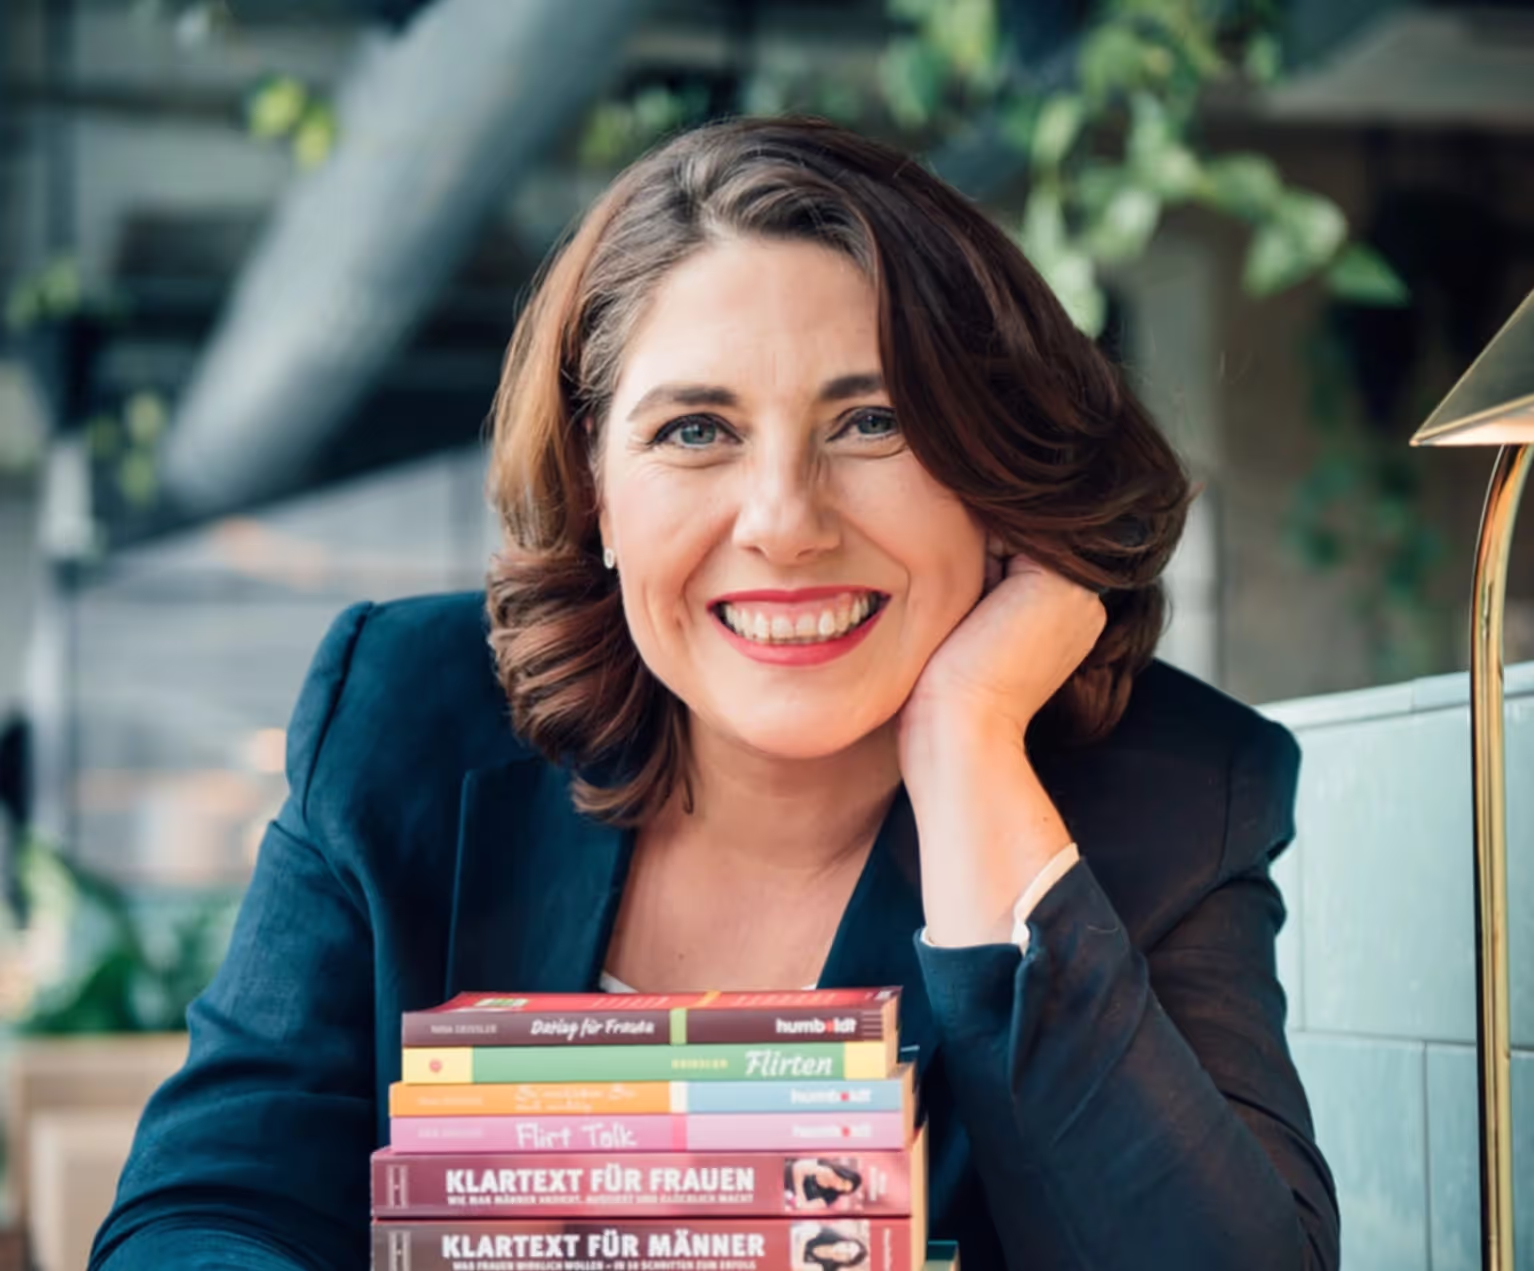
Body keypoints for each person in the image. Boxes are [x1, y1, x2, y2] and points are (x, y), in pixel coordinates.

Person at [90, 115, 1339, 1270]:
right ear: (596, 492)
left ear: (995, 472)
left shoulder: (1173, 795)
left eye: (875, 423)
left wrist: (966, 754)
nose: (785, 523)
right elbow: (206, 1208)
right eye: (696, 430)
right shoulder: (399, 717)